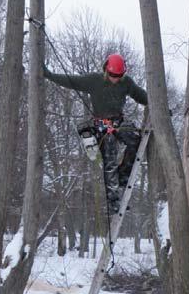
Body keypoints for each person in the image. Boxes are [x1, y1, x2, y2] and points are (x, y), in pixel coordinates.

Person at [43, 52, 148, 215]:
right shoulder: (94, 80)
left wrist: (159, 104)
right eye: (113, 75)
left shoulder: (126, 83)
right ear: (106, 70)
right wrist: (49, 75)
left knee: (135, 141)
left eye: (119, 75)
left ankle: (122, 176)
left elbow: (141, 95)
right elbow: (71, 80)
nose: (115, 78)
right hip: (101, 124)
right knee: (110, 153)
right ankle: (113, 200)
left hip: (119, 121)